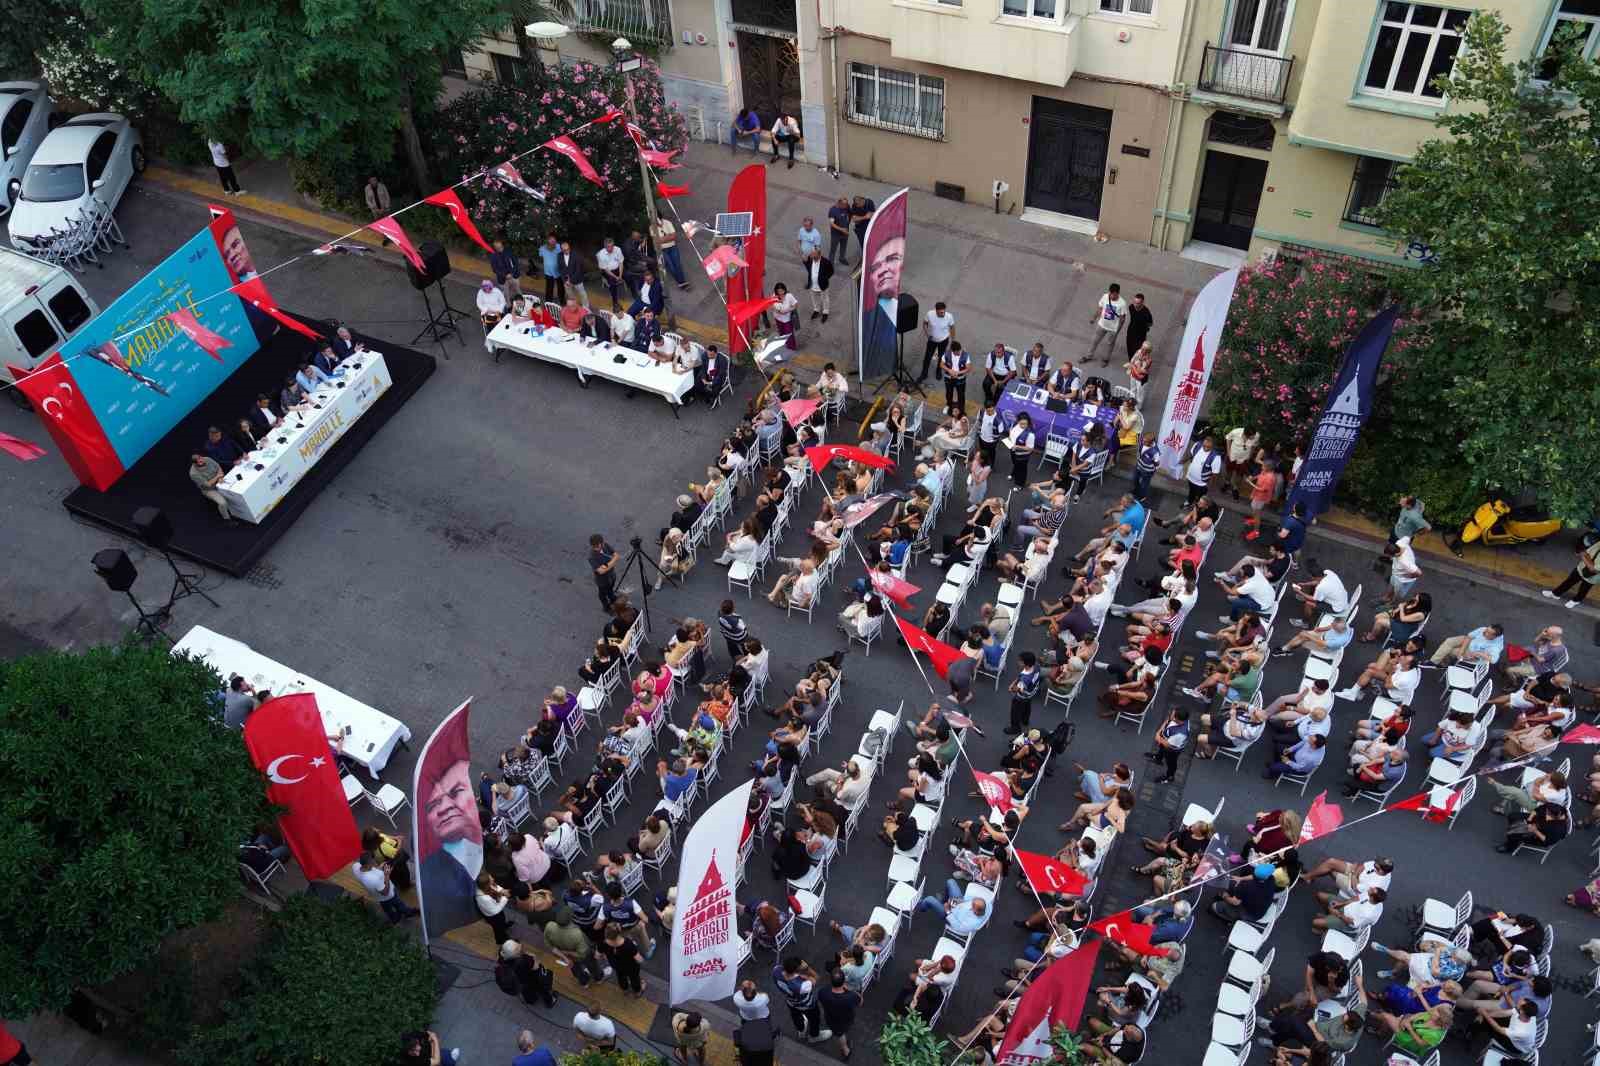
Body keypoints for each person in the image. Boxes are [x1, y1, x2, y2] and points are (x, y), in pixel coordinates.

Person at [773, 957, 830, 1042]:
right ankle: (814, 1036)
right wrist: (807, 968)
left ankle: (801, 1030)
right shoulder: (802, 986)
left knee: (796, 1016)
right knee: (814, 1019)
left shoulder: (776, 971)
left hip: (791, 1002)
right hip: (807, 1005)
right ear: (796, 970)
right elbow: (816, 978)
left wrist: (800, 974)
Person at [353, 850, 419, 923]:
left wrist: (380, 868)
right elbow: (385, 892)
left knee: (388, 910)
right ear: (368, 864)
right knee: (399, 904)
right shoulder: (373, 879)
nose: (374, 862)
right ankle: (407, 913)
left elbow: (370, 871)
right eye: (373, 861)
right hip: (389, 896)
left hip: (378, 897)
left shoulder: (356, 867)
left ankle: (395, 919)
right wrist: (387, 875)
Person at [1545, 536, 1600, 608]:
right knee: (1569, 581)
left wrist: (1583, 556)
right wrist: (1585, 556)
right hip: (1581, 567)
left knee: (1583, 589)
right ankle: (1555, 594)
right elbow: (1588, 552)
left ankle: (1576, 600)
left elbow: (1592, 569)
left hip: (1592, 577)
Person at [817, 971, 860, 1059]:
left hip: (831, 1019)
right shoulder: (850, 996)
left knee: (840, 1033)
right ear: (844, 982)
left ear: (831, 981)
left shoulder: (823, 991)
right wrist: (850, 990)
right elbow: (860, 1002)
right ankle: (846, 1051)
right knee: (840, 1035)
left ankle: (845, 1045)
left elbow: (821, 1000)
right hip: (846, 1020)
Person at [1087, 282, 1127, 364]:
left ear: (1118, 293)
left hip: (1113, 328)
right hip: (1101, 325)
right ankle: (1088, 356)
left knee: (1110, 345)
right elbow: (1100, 308)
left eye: (1114, 295)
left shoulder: (1122, 303)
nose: (1112, 296)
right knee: (1094, 341)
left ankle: (1106, 359)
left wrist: (1117, 331)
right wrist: (1094, 318)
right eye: (1111, 294)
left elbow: (1122, 319)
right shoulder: (1105, 296)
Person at [921, 300, 955, 383]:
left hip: (944, 341)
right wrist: (927, 334)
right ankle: (924, 373)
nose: (942, 314)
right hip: (932, 340)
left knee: (941, 357)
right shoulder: (930, 314)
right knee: (927, 357)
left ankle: (938, 371)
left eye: (943, 312)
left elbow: (952, 328)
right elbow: (925, 323)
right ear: (936, 310)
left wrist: (952, 341)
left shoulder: (949, 316)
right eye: (940, 313)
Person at [801, 248, 834, 323]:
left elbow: (831, 271)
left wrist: (824, 278)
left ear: (819, 254)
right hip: (813, 285)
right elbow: (808, 267)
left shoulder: (826, 262)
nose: (811, 255)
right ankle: (816, 310)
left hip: (822, 285)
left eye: (813, 254)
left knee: (825, 299)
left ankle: (825, 312)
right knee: (814, 299)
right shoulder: (810, 259)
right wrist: (804, 261)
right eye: (811, 254)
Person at [589, 534, 620, 611]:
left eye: (598, 546)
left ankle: (612, 598)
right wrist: (613, 561)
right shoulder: (591, 556)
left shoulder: (605, 545)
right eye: (595, 547)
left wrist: (606, 566)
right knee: (602, 594)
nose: (597, 548)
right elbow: (601, 571)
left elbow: (617, 555)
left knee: (610, 589)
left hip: (611, 575)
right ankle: (606, 607)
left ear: (602, 543)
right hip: (602, 580)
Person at [490, 238, 522, 303]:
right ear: (495, 248)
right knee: (506, 295)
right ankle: (509, 306)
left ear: (503, 245)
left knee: (518, 291)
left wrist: (511, 273)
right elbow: (495, 269)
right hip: (502, 279)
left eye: (500, 247)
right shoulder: (493, 256)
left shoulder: (509, 252)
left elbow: (516, 263)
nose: (500, 249)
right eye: (497, 247)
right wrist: (505, 275)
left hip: (514, 276)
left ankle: (521, 304)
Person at [1123, 292, 1153, 359]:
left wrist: (1145, 327)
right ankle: (1131, 361)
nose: (1135, 305)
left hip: (1140, 335)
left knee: (1137, 351)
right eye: (1134, 302)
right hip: (1131, 331)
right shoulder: (1131, 307)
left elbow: (1150, 323)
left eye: (1138, 303)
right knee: (1129, 348)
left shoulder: (1146, 313)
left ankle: (1136, 364)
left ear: (1142, 302)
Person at [771, 283, 800, 350]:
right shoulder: (774, 296)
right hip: (778, 319)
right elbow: (772, 305)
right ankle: (785, 346)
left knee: (789, 334)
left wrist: (788, 310)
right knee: (782, 333)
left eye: (782, 291)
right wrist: (777, 310)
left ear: (785, 290)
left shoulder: (789, 296)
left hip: (787, 319)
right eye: (779, 291)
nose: (780, 293)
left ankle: (792, 347)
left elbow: (795, 305)